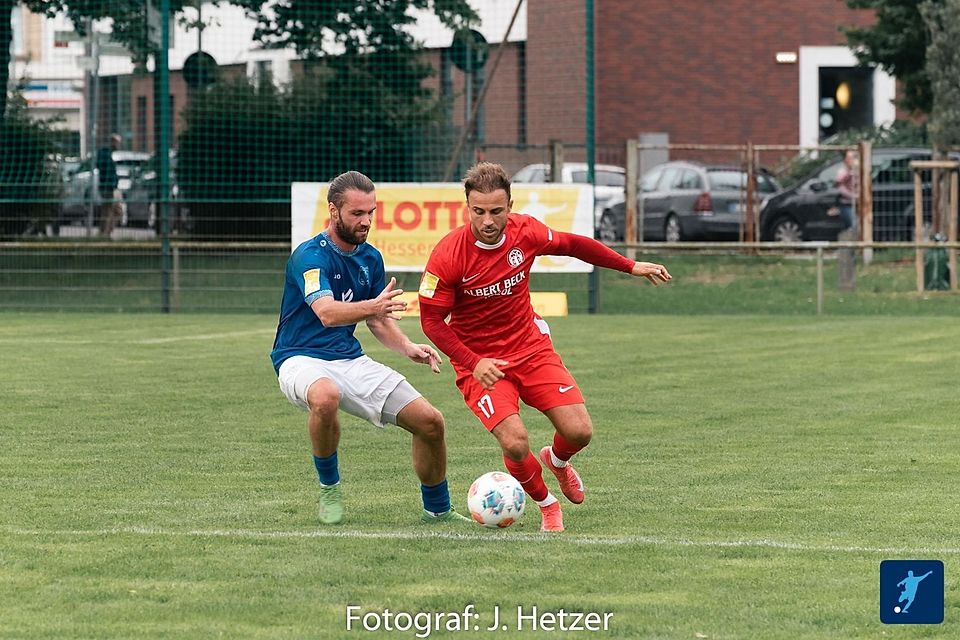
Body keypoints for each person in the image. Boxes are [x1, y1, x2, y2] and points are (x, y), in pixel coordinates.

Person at [418, 162, 671, 532]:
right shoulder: (448, 256)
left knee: (580, 432)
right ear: (467, 207)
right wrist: (472, 362)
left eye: (496, 211)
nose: (487, 221)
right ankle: (548, 505)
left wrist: (629, 266)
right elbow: (430, 322)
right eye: (479, 211)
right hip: (483, 364)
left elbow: (573, 244)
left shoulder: (526, 231)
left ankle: (557, 460)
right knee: (516, 442)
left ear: (510, 205)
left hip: (532, 349)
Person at [271, 170, 469, 525]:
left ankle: (438, 510)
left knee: (430, 422)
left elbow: (378, 321)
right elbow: (328, 313)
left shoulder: (370, 259)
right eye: (356, 214)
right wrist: (374, 307)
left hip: (349, 360)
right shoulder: (309, 256)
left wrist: (408, 347)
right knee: (325, 395)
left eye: (371, 213)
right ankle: (329, 489)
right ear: (334, 212)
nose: (365, 222)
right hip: (298, 358)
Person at [835, 148, 858, 232]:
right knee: (852, 226)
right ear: (845, 160)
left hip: (859, 204)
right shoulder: (842, 172)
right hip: (847, 203)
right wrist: (854, 196)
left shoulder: (858, 171)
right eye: (850, 158)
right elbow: (840, 187)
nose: (852, 160)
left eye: (854, 157)